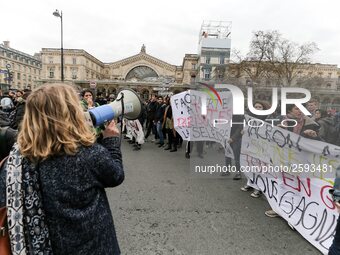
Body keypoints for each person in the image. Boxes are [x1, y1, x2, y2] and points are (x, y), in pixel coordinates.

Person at [0, 83, 124, 255]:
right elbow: (115, 175)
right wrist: (111, 140)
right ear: (70, 112)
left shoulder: (16, 160)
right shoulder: (88, 154)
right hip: (95, 245)